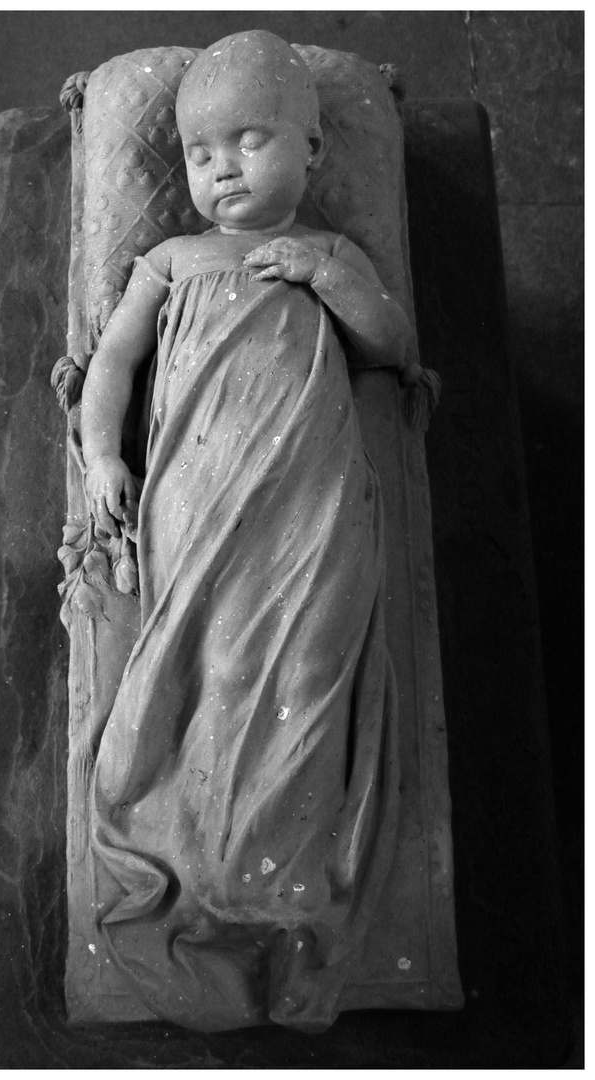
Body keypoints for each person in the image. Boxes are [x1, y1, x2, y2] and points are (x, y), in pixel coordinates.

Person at [80, 30, 412, 1033]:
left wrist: (331, 279)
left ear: (310, 151)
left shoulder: (330, 256)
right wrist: (104, 456)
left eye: (251, 138)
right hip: (197, 503)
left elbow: (391, 344)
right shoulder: (170, 260)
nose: (222, 166)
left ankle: (290, 887)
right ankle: (219, 879)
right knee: (219, 673)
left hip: (313, 510)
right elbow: (112, 368)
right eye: (199, 150)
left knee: (310, 674)